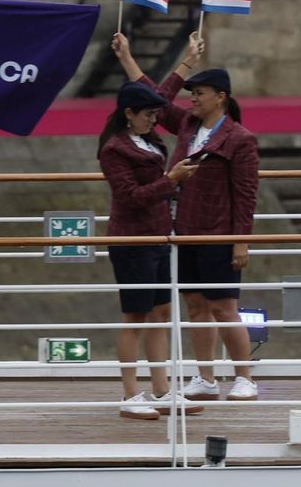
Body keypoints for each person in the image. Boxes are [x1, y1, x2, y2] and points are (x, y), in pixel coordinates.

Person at [111, 32, 261, 403]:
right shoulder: (188, 126)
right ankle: (205, 376)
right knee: (196, 306)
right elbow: (154, 98)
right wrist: (128, 59)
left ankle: (244, 376)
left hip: (219, 232)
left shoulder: (240, 138)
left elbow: (246, 193)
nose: (192, 98)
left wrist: (240, 238)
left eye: (200, 93)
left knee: (225, 307)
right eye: (191, 93)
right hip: (185, 230)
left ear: (221, 97)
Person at [97, 80, 201, 420]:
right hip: (131, 241)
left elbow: (150, 191)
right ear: (128, 113)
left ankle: (162, 388)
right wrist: (171, 181)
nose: (153, 120)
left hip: (158, 237)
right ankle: (130, 393)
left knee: (160, 315)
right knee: (134, 318)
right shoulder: (114, 149)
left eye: (156, 114)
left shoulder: (150, 141)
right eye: (147, 114)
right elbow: (129, 197)